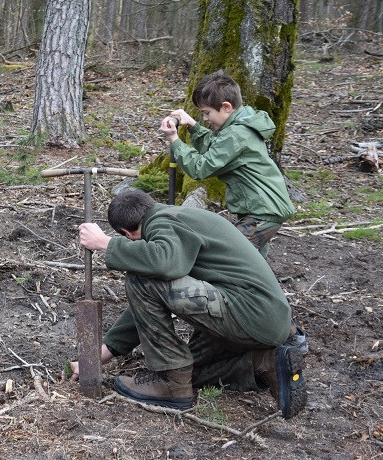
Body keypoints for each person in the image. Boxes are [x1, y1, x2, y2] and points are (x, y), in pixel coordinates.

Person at [71, 190, 307, 420]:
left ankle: (171, 384)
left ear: (127, 233)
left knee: (140, 277)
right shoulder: (175, 218)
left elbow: (163, 264)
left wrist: (106, 244)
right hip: (263, 319)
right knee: (193, 372)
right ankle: (265, 363)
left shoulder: (165, 222)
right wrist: (101, 354)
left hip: (251, 313)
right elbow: (145, 303)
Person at [160, 70, 295, 256]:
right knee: (253, 263)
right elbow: (216, 148)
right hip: (264, 209)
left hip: (261, 213)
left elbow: (200, 168)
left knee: (229, 258)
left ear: (226, 107)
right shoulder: (241, 125)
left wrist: (175, 141)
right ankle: (258, 285)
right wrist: (193, 126)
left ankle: (241, 285)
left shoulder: (236, 134)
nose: (205, 119)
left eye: (206, 113)